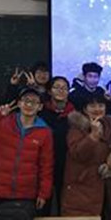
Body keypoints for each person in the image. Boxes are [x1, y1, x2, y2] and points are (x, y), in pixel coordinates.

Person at [0, 86, 53, 212]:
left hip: (26, 194)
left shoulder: (45, 132)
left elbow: (46, 166)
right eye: (26, 100)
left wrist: (43, 193)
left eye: (34, 102)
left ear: (40, 107)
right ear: (19, 103)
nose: (29, 105)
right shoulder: (2, 123)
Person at [61, 92, 111, 220]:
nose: (97, 109)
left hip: (104, 188)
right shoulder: (76, 128)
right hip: (80, 188)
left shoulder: (110, 128)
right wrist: (93, 136)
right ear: (85, 109)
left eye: (101, 105)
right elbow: (78, 154)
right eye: (92, 106)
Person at [39, 76, 74, 211]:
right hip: (43, 163)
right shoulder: (41, 113)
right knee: (43, 205)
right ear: (49, 91)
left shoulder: (74, 114)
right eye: (57, 87)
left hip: (67, 163)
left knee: (64, 204)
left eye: (64, 88)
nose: (61, 91)